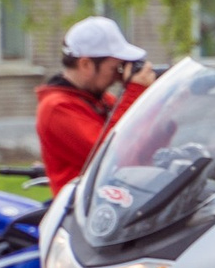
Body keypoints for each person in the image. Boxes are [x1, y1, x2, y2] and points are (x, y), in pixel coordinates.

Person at [37, 16, 156, 196]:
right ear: (85, 64)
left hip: (114, 204)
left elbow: (139, 143)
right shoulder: (56, 108)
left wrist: (164, 102)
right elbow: (109, 156)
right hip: (83, 213)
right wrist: (134, 91)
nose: (118, 77)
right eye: (115, 68)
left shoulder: (98, 100)